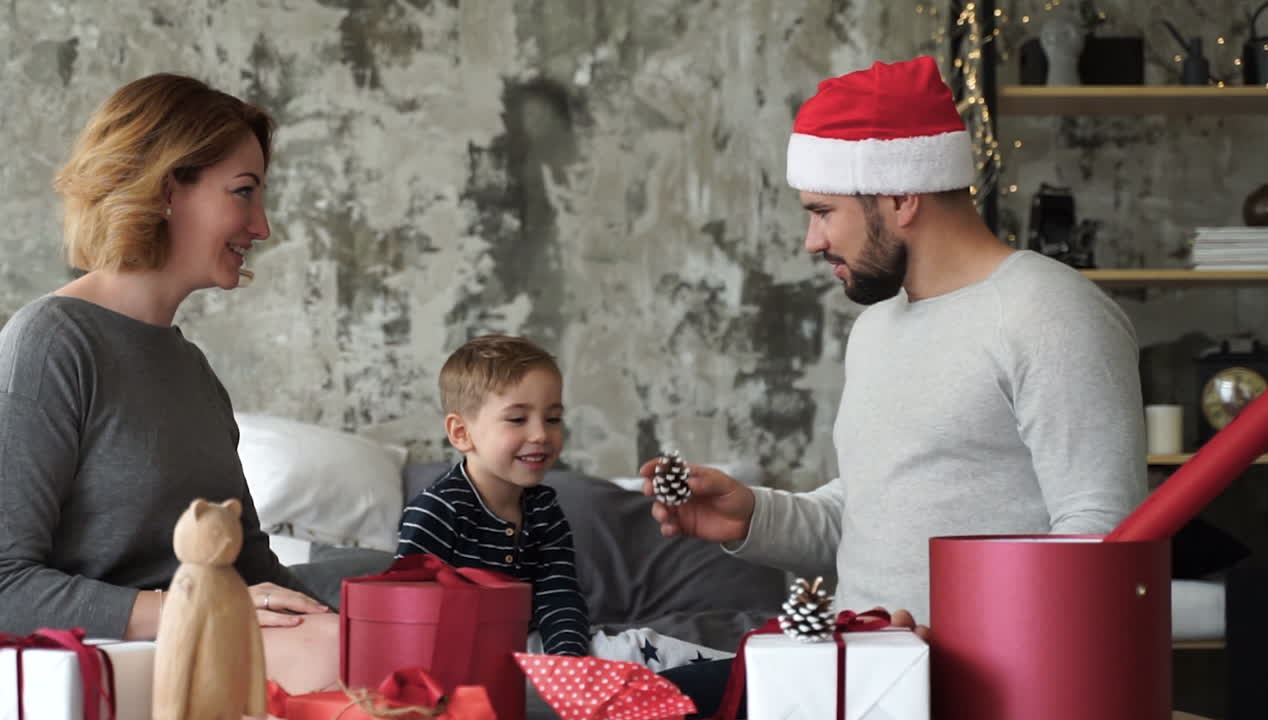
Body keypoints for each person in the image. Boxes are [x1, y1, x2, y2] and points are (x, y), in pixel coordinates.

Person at [643, 56, 1145, 625]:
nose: (812, 241)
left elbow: (1101, 535)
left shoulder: (1050, 312)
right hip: (863, 664)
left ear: (902, 196)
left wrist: (968, 651)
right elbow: (872, 518)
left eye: (823, 212)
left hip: (972, 675)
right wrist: (753, 517)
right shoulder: (877, 327)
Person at [0, 73, 337, 693]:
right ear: (165, 189)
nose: (261, 226)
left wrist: (362, 621)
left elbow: (251, 566)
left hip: (212, 644)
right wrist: (188, 607)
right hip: (118, 665)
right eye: (243, 192)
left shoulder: (195, 372)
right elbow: (4, 584)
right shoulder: (51, 343)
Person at [396, 334, 590, 656]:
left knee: (643, 648)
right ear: (462, 433)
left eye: (553, 418)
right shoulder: (438, 509)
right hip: (454, 656)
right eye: (517, 419)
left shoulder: (544, 509)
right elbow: (407, 612)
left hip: (528, 650)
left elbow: (559, 596)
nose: (541, 434)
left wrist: (567, 663)